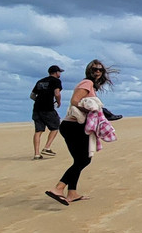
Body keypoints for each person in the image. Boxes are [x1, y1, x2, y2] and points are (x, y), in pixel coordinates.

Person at [45, 59, 117, 205]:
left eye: (100, 70)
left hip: (71, 126)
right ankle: (59, 188)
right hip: (73, 126)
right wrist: (93, 110)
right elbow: (75, 101)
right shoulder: (86, 83)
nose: (97, 72)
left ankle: (72, 193)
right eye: (94, 69)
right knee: (84, 160)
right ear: (89, 70)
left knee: (79, 160)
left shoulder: (90, 85)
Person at [30, 65, 63, 159]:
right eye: (59, 72)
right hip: (48, 108)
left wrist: (39, 101)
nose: (60, 74)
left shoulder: (40, 81)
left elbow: (32, 96)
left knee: (38, 130)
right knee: (55, 126)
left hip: (36, 108)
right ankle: (47, 147)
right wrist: (59, 102)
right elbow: (57, 93)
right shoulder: (56, 81)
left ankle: (36, 154)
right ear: (56, 72)